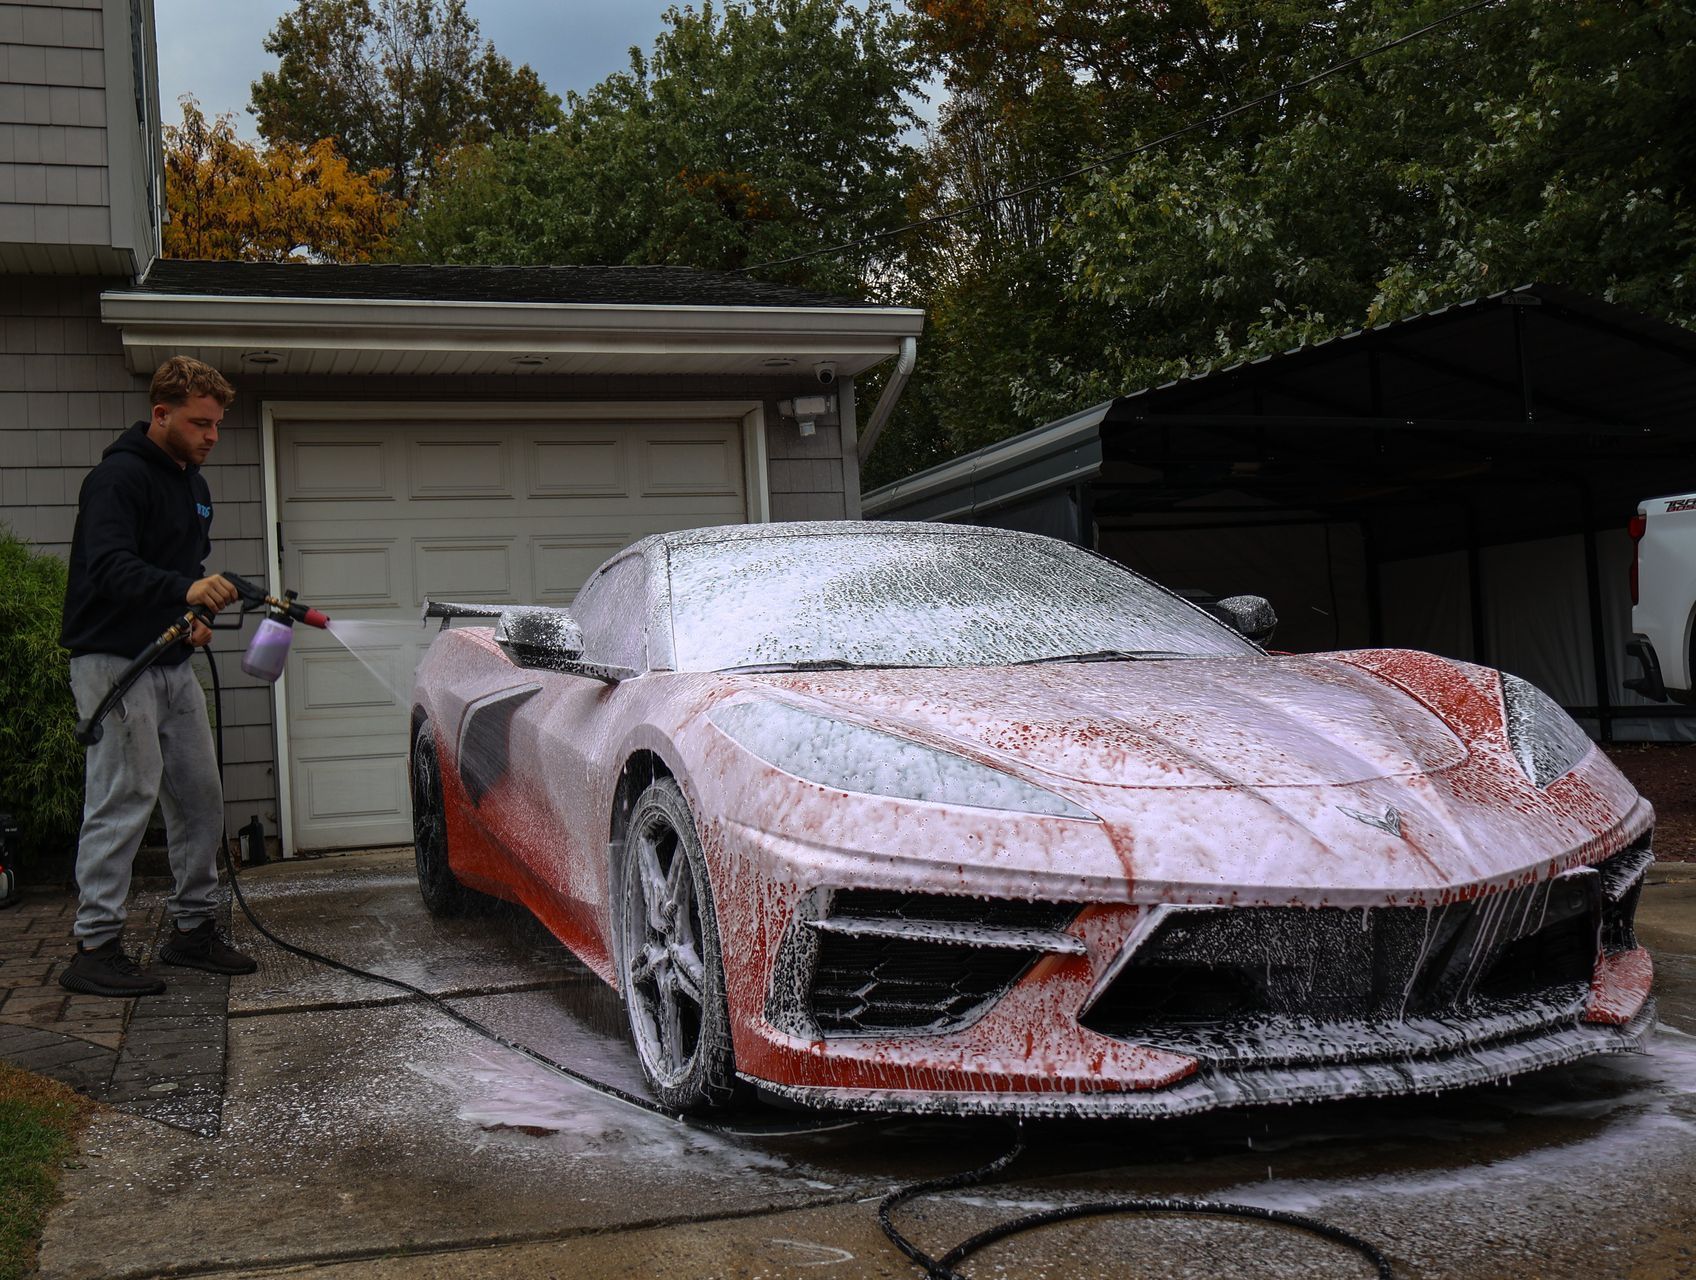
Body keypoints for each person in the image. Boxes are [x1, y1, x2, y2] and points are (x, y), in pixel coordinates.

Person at [57, 356, 258, 997]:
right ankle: (95, 947)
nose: (211, 437)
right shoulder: (116, 480)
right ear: (161, 414)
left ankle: (192, 931)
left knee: (199, 797)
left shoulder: (194, 486)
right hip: (115, 662)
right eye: (200, 424)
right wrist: (184, 589)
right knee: (123, 799)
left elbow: (184, 570)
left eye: (217, 426)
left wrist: (192, 614)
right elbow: (110, 567)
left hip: (171, 661)